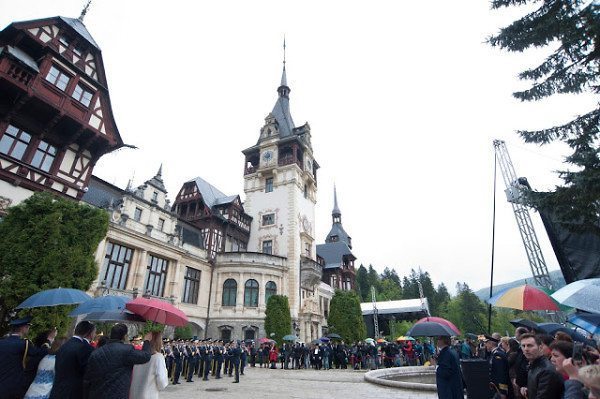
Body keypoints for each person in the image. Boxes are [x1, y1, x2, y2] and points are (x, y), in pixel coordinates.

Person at [82, 323, 152, 399]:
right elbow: (145, 356)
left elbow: (87, 380)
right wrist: (147, 341)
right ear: (124, 336)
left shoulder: (96, 353)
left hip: (97, 394)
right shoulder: (127, 350)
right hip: (118, 394)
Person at [0, 316, 49, 399]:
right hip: (15, 384)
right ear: (23, 328)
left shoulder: (2, 342)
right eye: (27, 327)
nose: (28, 329)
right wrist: (47, 341)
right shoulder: (24, 344)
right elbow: (38, 353)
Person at [49, 320, 95, 399]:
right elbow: (88, 372)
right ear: (89, 333)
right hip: (73, 392)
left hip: (57, 389)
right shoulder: (85, 348)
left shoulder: (64, 344)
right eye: (94, 332)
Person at [520, 333, 564, 399]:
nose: (526, 349)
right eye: (523, 346)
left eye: (530, 345)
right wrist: (528, 390)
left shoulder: (546, 371)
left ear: (540, 347)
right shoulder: (533, 365)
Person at [129, 331, 169, 399]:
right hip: (149, 395)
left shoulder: (138, 355)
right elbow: (162, 382)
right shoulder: (158, 357)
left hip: (134, 394)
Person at [484, 335, 512, 399]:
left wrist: (502, 391)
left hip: (499, 389)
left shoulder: (498, 355)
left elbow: (501, 373)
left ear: (491, 343)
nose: (485, 345)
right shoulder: (494, 353)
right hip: (495, 387)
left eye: (486, 343)